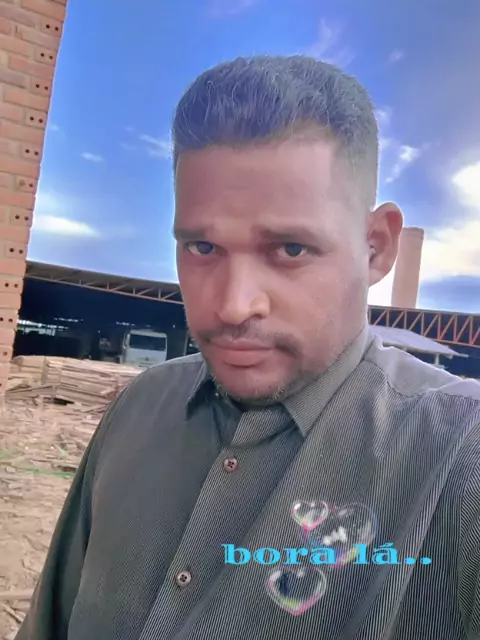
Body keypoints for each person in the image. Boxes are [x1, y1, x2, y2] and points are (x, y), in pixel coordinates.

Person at [16, 56, 480, 640]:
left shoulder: (459, 454)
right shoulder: (139, 408)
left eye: (289, 249)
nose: (234, 306)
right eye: (202, 248)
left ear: (377, 247)